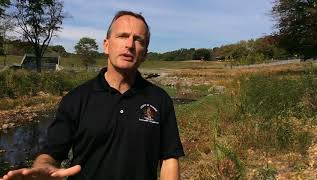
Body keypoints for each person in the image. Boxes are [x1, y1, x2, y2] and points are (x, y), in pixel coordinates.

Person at [2, 10, 184, 180]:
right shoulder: (76, 98)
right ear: (106, 45)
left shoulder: (160, 100)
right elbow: (52, 153)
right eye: (122, 36)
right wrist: (42, 167)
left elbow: (169, 159)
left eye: (139, 40)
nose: (129, 44)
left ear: (144, 53)